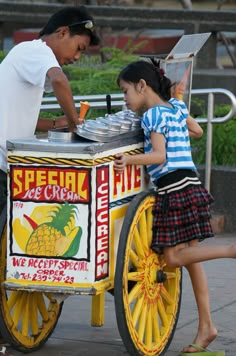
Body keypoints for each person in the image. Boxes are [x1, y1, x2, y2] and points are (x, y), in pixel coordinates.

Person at [113, 59, 235, 354]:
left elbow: (157, 156)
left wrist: (129, 160)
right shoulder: (175, 109)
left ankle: (230, 250)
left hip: (174, 190)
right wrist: (178, 101)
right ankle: (207, 328)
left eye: (126, 91)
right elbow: (198, 132)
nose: (125, 98)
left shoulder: (152, 116)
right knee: (191, 260)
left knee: (172, 259)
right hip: (191, 186)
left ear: (142, 86)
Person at [0, 6, 99, 355]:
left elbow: (22, 117)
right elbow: (59, 80)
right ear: (61, 33)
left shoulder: (28, 59)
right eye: (79, 48)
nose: (77, 57)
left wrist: (55, 124)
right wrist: (76, 127)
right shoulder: (35, 52)